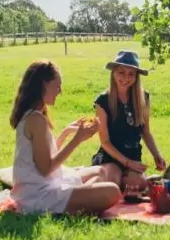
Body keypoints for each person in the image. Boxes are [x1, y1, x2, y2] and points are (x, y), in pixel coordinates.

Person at [9, 60, 121, 215]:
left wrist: (67, 132)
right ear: (43, 85)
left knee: (102, 172)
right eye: (57, 86)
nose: (60, 91)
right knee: (112, 191)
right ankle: (79, 205)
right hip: (38, 195)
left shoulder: (34, 115)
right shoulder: (36, 120)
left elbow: (44, 155)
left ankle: (80, 202)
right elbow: (45, 168)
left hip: (46, 185)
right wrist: (77, 139)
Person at [90, 50, 168, 195]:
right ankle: (99, 174)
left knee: (137, 184)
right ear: (113, 73)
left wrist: (157, 155)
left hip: (133, 155)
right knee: (112, 182)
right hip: (111, 157)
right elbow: (105, 142)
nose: (126, 78)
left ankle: (136, 180)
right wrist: (126, 163)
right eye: (121, 72)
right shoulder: (102, 101)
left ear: (137, 77)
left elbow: (145, 132)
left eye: (131, 74)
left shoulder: (143, 97)